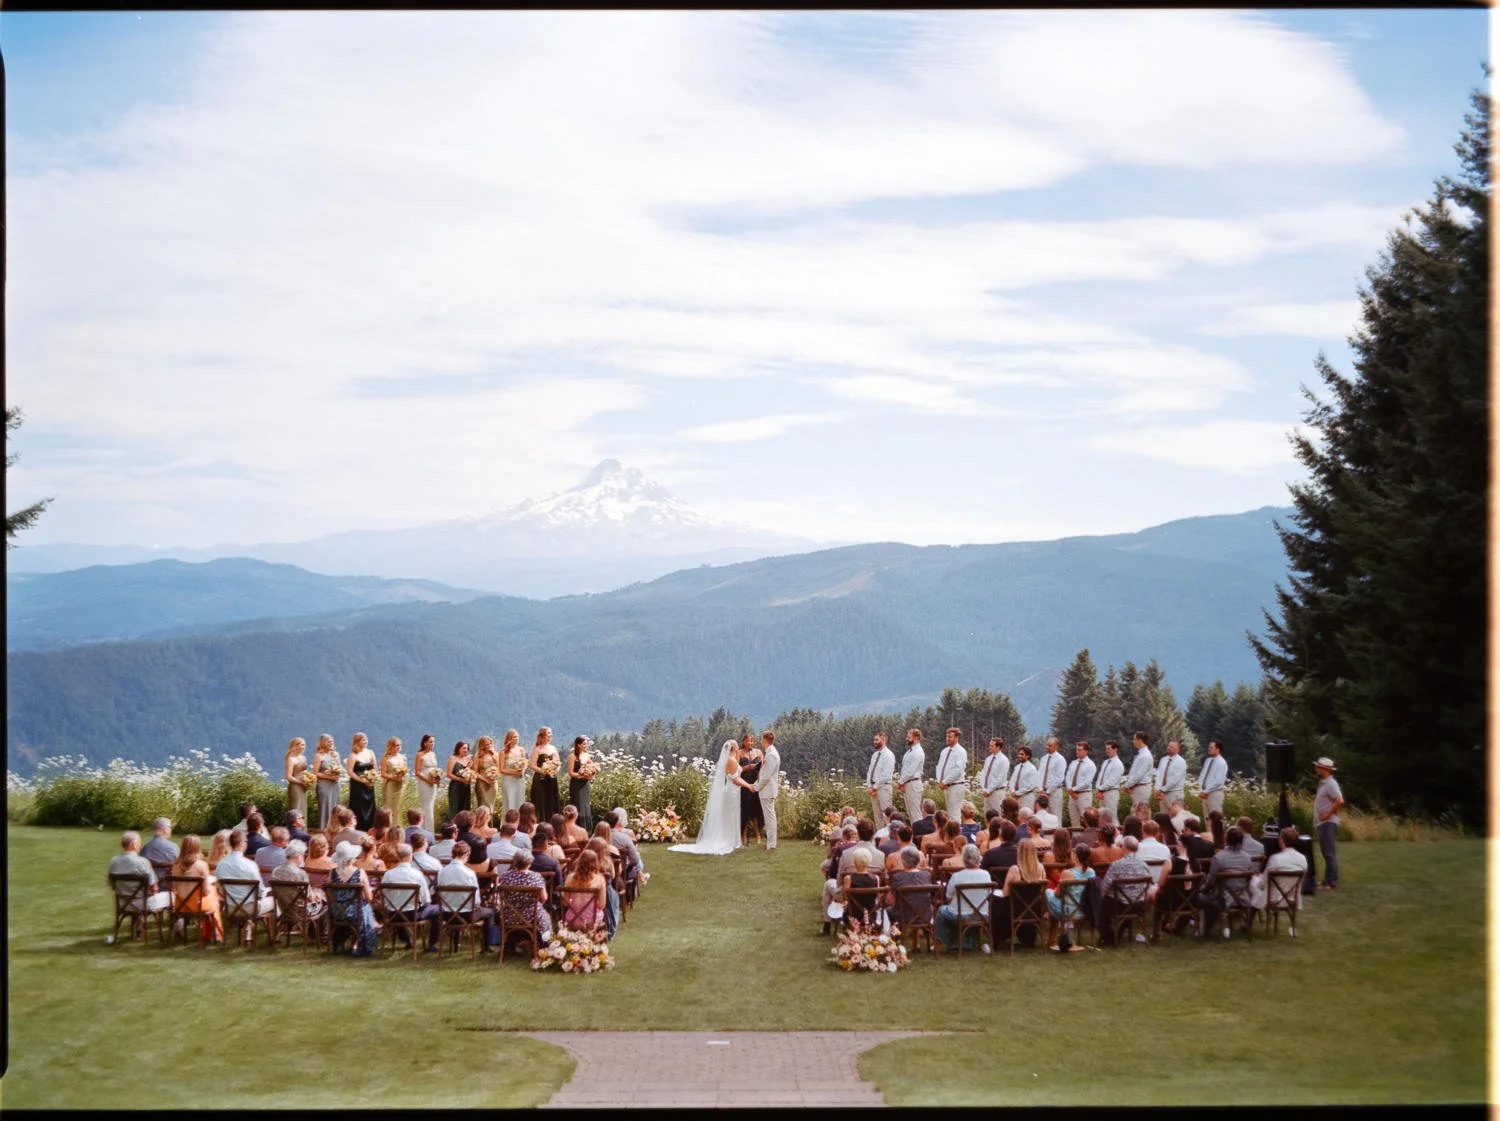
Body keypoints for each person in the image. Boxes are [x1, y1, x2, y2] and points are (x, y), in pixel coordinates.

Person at [669, 740, 744, 855]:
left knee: (733, 815)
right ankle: (729, 840)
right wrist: (749, 786)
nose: (738, 746)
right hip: (731, 791)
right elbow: (735, 777)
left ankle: (732, 840)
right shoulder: (730, 760)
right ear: (733, 748)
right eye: (736, 745)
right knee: (730, 815)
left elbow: (736, 770)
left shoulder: (731, 760)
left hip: (734, 791)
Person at [108, 830, 172, 937]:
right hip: (143, 904)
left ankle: (138, 926)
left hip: (123, 904)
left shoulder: (114, 862)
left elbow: (112, 885)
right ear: (134, 844)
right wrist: (153, 890)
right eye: (139, 843)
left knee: (141, 895)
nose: (140, 846)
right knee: (171, 896)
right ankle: (177, 929)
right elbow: (154, 887)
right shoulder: (143, 862)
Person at [380, 842, 440, 951]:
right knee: (438, 909)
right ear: (410, 856)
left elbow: (384, 896)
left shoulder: (388, 874)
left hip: (393, 914)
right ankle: (431, 944)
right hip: (413, 914)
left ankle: (408, 940)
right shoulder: (417, 874)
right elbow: (426, 899)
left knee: (399, 908)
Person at [1196, 826, 1255, 934]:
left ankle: (1203, 929)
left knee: (1199, 897)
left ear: (1226, 839)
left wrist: (1201, 889)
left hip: (1223, 899)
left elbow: (1210, 882)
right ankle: (1207, 928)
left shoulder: (1219, 858)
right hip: (1243, 899)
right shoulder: (1247, 858)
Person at [1096, 835, 1152, 946]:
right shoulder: (1144, 865)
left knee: (1100, 904)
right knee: (1116, 901)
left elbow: (1105, 886)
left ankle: (1108, 936)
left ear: (1124, 847)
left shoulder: (1116, 865)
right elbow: (1148, 886)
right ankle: (1117, 933)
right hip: (1139, 905)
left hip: (1121, 905)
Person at [992, 836, 1046, 949]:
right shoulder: (1040, 868)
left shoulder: (1015, 870)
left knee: (995, 902)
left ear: (1019, 852)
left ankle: (996, 937)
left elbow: (1005, 893)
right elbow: (1042, 892)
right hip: (1034, 910)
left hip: (1015, 910)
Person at [934, 844, 991, 951]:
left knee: (942, 911)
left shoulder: (957, 876)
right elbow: (987, 894)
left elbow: (948, 898)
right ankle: (964, 942)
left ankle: (939, 943)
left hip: (961, 916)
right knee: (953, 910)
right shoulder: (986, 875)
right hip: (982, 915)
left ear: (963, 859)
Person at [328, 840, 379, 955]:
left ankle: (340, 941)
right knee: (366, 907)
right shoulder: (360, 872)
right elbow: (369, 897)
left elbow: (329, 894)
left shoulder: (332, 873)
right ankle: (362, 942)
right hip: (355, 912)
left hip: (336, 911)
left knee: (363, 906)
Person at [170, 834, 223, 944]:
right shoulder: (201, 865)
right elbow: (206, 891)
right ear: (197, 847)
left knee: (211, 898)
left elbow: (174, 887)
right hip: (197, 905)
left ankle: (210, 933)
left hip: (180, 904)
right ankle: (215, 934)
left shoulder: (176, 865)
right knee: (214, 897)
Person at [1046, 842, 1095, 951]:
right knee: (1055, 903)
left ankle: (1053, 939)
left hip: (1069, 912)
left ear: (1076, 857)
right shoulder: (1091, 872)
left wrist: (1053, 890)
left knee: (1047, 893)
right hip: (1086, 910)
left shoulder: (1067, 873)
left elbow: (1058, 894)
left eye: (1073, 854)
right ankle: (1063, 938)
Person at [498, 848, 553, 944]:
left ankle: (510, 944)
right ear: (529, 862)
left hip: (510, 916)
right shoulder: (536, 877)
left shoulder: (506, 876)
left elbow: (501, 896)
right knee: (545, 916)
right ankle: (544, 943)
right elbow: (544, 898)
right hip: (532, 916)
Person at [1313, 756, 1344, 890]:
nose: (1316, 769)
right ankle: (1327, 881)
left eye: (1318, 767)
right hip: (1324, 823)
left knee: (1329, 853)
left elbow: (1340, 800)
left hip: (1328, 823)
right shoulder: (1324, 783)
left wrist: (1327, 814)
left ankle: (1332, 882)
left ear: (1324, 769)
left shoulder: (1331, 783)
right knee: (1327, 852)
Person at [562, 849, 609, 934]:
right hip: (592, 920)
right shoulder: (599, 879)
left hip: (572, 919)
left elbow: (565, 902)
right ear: (595, 863)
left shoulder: (569, 878)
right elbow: (602, 905)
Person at [751, 729, 781, 850]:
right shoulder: (769, 753)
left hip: (767, 791)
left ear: (765, 740)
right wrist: (755, 784)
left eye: (761, 738)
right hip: (766, 790)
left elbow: (767, 776)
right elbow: (763, 774)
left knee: (770, 818)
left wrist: (756, 787)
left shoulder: (771, 755)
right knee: (769, 818)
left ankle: (771, 844)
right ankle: (771, 843)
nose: (760, 741)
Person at [528, 727, 563, 823]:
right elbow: (532, 765)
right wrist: (543, 771)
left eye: (551, 733)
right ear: (543, 736)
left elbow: (558, 763)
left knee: (551, 801)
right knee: (541, 802)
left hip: (551, 779)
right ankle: (541, 823)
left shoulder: (553, 748)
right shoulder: (537, 749)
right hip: (541, 779)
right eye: (548, 733)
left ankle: (552, 823)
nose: (550, 735)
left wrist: (555, 770)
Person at [934, 727, 968, 820]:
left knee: (954, 814)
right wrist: (940, 781)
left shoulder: (960, 752)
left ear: (956, 738)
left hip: (956, 786)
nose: (947, 739)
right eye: (947, 736)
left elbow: (958, 771)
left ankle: (956, 829)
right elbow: (939, 767)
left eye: (950, 737)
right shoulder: (944, 751)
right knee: (949, 814)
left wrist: (945, 781)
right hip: (946, 786)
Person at [346, 732, 378, 831]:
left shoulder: (370, 752)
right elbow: (350, 771)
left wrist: (372, 778)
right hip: (357, 785)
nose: (366, 741)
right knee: (358, 806)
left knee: (370, 805)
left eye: (366, 739)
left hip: (369, 784)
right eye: (363, 740)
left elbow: (375, 768)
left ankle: (370, 827)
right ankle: (358, 828)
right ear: (357, 741)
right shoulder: (353, 755)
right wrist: (361, 780)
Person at [738, 733, 765, 846]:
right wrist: (747, 767)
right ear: (743, 742)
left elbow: (764, 767)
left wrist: (759, 766)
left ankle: (758, 834)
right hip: (744, 784)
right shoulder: (739, 753)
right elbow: (736, 769)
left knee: (756, 811)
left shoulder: (758, 752)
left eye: (752, 741)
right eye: (748, 741)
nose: (750, 743)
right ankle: (743, 835)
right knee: (745, 811)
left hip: (756, 784)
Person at [567, 735, 598, 834]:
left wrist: (592, 775)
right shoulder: (573, 756)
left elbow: (592, 768)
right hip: (576, 784)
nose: (586, 745)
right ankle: (576, 829)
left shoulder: (587, 755)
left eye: (586, 744)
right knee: (578, 805)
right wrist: (582, 775)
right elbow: (570, 772)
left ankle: (587, 831)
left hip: (585, 785)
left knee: (586, 806)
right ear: (578, 745)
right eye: (584, 744)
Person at [864, 731, 897, 826]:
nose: (874, 742)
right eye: (874, 740)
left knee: (887, 814)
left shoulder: (889, 755)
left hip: (884, 787)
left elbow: (886, 775)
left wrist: (874, 787)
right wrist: (870, 786)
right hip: (874, 788)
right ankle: (879, 834)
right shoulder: (875, 755)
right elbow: (870, 771)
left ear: (884, 740)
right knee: (877, 815)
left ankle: (890, 833)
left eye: (876, 740)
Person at [312, 734, 343, 831]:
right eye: (329, 742)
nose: (331, 743)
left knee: (336, 805)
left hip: (335, 784)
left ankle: (336, 828)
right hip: (324, 784)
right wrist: (329, 777)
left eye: (332, 741)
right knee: (325, 806)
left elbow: (339, 768)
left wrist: (337, 775)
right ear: (323, 743)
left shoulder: (336, 754)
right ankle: (324, 829)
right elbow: (315, 773)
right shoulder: (319, 756)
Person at [413, 733, 441, 831]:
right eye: (430, 742)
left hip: (433, 783)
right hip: (424, 783)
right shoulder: (420, 755)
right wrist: (428, 780)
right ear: (425, 743)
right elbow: (417, 772)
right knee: (426, 806)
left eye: (433, 742)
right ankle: (425, 830)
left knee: (431, 806)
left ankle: (430, 830)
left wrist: (437, 778)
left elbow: (435, 769)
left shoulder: (433, 754)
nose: (432, 743)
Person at [498, 729, 529, 817]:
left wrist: (522, 771)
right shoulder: (503, 752)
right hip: (509, 780)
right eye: (514, 737)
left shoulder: (521, 750)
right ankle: (509, 821)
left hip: (519, 780)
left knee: (520, 800)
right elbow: (501, 769)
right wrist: (514, 773)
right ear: (509, 738)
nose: (516, 738)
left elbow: (524, 763)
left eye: (517, 737)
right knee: (510, 801)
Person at [898, 728, 926, 823]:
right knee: (910, 813)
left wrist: (901, 782)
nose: (907, 739)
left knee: (915, 813)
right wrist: (902, 782)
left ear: (916, 737)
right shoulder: (909, 752)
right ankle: (914, 831)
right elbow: (905, 769)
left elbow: (911, 771)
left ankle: (919, 832)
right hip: (907, 783)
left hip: (913, 783)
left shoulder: (918, 752)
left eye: (909, 737)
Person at [1094, 739, 1125, 826]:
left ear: (1115, 749)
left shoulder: (1118, 764)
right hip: (1102, 793)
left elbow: (1112, 781)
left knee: (1112, 817)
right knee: (1101, 817)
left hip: (1111, 793)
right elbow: (1100, 777)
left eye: (1109, 749)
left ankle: (1116, 833)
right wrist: (1098, 789)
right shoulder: (1106, 762)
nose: (1106, 750)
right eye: (1106, 748)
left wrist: (1101, 789)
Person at [1065, 742, 1096, 828]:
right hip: (1072, 795)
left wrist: (1073, 789)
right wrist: (1069, 789)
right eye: (1077, 749)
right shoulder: (1073, 763)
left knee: (1085, 820)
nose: (1077, 752)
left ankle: (1087, 836)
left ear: (1086, 751)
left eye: (1080, 750)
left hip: (1084, 795)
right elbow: (1068, 777)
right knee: (1074, 820)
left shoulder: (1090, 764)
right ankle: (1076, 836)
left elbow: (1087, 782)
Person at [978, 738, 1010, 818]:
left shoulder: (1003, 760)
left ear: (998, 747)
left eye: (992, 746)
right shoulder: (988, 759)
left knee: (998, 816)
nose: (989, 747)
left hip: (997, 792)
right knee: (987, 816)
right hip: (987, 792)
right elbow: (984, 774)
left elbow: (999, 779)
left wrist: (989, 790)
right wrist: (983, 788)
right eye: (990, 745)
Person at [1125, 732, 1155, 818]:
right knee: (1136, 813)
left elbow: (1139, 775)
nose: (1133, 741)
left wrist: (1127, 785)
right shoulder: (1141, 754)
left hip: (1142, 789)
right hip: (1137, 788)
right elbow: (1134, 772)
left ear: (1140, 740)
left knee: (1141, 814)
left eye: (1134, 739)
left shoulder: (1145, 755)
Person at [1197, 738, 1228, 820]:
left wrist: (1206, 791)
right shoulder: (1208, 760)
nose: (1209, 749)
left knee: (1216, 819)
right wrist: (1201, 789)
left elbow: (1218, 781)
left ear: (1218, 749)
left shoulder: (1221, 763)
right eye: (1209, 747)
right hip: (1205, 794)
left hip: (1214, 793)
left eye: (1211, 747)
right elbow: (1202, 775)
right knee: (1207, 819)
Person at [1037, 737, 1067, 821]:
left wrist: (1048, 791)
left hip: (1054, 792)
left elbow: (1059, 778)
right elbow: (1039, 775)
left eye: (1050, 745)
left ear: (1056, 746)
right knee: (1043, 817)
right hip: (1043, 791)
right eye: (1047, 745)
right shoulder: (1043, 758)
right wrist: (1040, 789)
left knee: (1056, 817)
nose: (1047, 747)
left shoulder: (1060, 759)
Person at [1154, 740, 1187, 812]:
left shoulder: (1181, 762)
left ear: (1178, 749)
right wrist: (1157, 788)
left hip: (1174, 793)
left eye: (1172, 747)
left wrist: (1161, 790)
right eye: (1168, 746)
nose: (1169, 748)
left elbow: (1174, 780)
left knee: (1176, 816)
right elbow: (1159, 775)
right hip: (1162, 794)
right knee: (1164, 816)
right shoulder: (1163, 760)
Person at [285, 736, 312, 819]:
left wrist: (309, 779)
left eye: (304, 745)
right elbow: (288, 777)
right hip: (295, 787)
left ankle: (303, 826)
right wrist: (300, 782)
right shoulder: (290, 759)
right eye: (302, 745)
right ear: (296, 746)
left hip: (304, 787)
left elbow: (304, 771)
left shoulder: (303, 758)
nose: (304, 747)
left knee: (303, 808)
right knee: (296, 808)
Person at [473, 735, 500, 814]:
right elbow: (475, 772)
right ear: (482, 746)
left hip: (493, 783)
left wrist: (495, 776)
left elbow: (499, 769)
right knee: (483, 805)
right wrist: (485, 780)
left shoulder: (495, 755)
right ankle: (481, 821)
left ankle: (490, 821)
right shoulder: (478, 756)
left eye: (490, 743)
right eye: (487, 744)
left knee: (491, 806)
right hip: (482, 783)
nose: (489, 745)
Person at [1008, 746, 1040, 812]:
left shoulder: (1032, 768)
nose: (1019, 756)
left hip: (1027, 797)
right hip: (1016, 797)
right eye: (1019, 754)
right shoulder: (1017, 767)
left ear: (1028, 756)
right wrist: (1012, 791)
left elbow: (1030, 785)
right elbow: (1012, 780)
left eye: (1022, 754)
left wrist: (1017, 793)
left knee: (1027, 816)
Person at [446, 740, 474, 816]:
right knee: (455, 808)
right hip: (455, 787)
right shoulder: (453, 758)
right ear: (458, 749)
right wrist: (461, 780)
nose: (466, 750)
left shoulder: (469, 759)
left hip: (466, 787)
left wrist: (471, 777)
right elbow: (448, 774)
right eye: (464, 748)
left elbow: (472, 772)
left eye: (467, 748)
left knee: (466, 808)